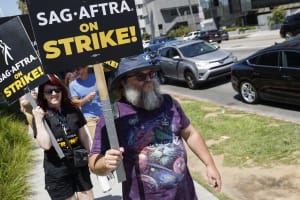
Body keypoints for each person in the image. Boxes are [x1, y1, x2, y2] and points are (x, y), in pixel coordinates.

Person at [89, 54, 221, 199]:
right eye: (140, 76)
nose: (149, 80)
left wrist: (210, 165)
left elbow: (190, 134)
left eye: (151, 74)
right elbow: (94, 162)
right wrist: (105, 163)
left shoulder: (168, 103)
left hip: (185, 194)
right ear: (123, 82)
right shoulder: (113, 116)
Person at [32, 74, 94, 200]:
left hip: (79, 162)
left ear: (62, 91)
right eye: (49, 91)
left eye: (57, 89)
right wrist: (38, 120)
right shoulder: (40, 116)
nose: (54, 93)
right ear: (43, 95)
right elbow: (45, 145)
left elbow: (84, 137)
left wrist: (93, 158)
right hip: (57, 169)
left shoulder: (73, 110)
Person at [69, 66, 102, 139]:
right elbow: (75, 103)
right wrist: (87, 98)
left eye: (79, 68)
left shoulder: (96, 77)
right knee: (95, 142)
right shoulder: (73, 85)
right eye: (76, 69)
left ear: (86, 68)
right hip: (88, 118)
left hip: (103, 114)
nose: (77, 71)